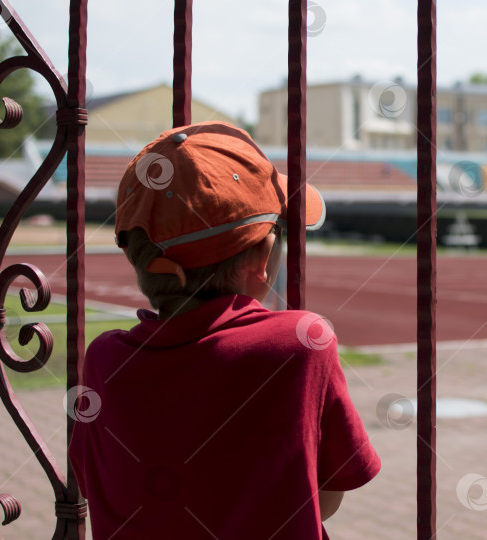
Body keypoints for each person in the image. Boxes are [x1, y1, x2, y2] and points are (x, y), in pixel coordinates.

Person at [68, 121, 380, 539]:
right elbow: (326, 497)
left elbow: (99, 486)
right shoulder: (300, 342)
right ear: (262, 258)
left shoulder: (104, 359)